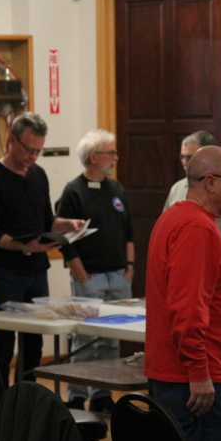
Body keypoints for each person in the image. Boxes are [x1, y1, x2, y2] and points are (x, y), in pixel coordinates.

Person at [145, 146, 221, 441]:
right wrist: (199, 373)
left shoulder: (175, 218)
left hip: (179, 375)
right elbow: (187, 309)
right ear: (211, 182)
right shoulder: (196, 228)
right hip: (197, 380)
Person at [0, 112, 83, 388]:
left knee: (34, 342)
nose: (33, 156)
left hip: (38, 271)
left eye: (38, 151)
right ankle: (0, 401)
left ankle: (26, 397)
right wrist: (24, 246)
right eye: (29, 150)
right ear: (12, 141)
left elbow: (46, 220)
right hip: (6, 273)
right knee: (4, 341)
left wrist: (68, 224)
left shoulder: (39, 175)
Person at [55, 129, 134, 414]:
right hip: (90, 277)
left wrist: (130, 268)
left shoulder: (117, 189)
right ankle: (77, 395)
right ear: (93, 157)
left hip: (119, 276)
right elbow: (64, 239)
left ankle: (102, 394)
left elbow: (128, 232)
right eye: (111, 152)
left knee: (110, 342)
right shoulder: (73, 191)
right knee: (85, 340)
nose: (116, 157)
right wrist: (81, 274)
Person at [163, 130, 221, 284]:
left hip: (218, 257)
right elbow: (167, 227)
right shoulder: (177, 188)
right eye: (182, 157)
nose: (184, 162)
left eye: (189, 157)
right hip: (183, 259)